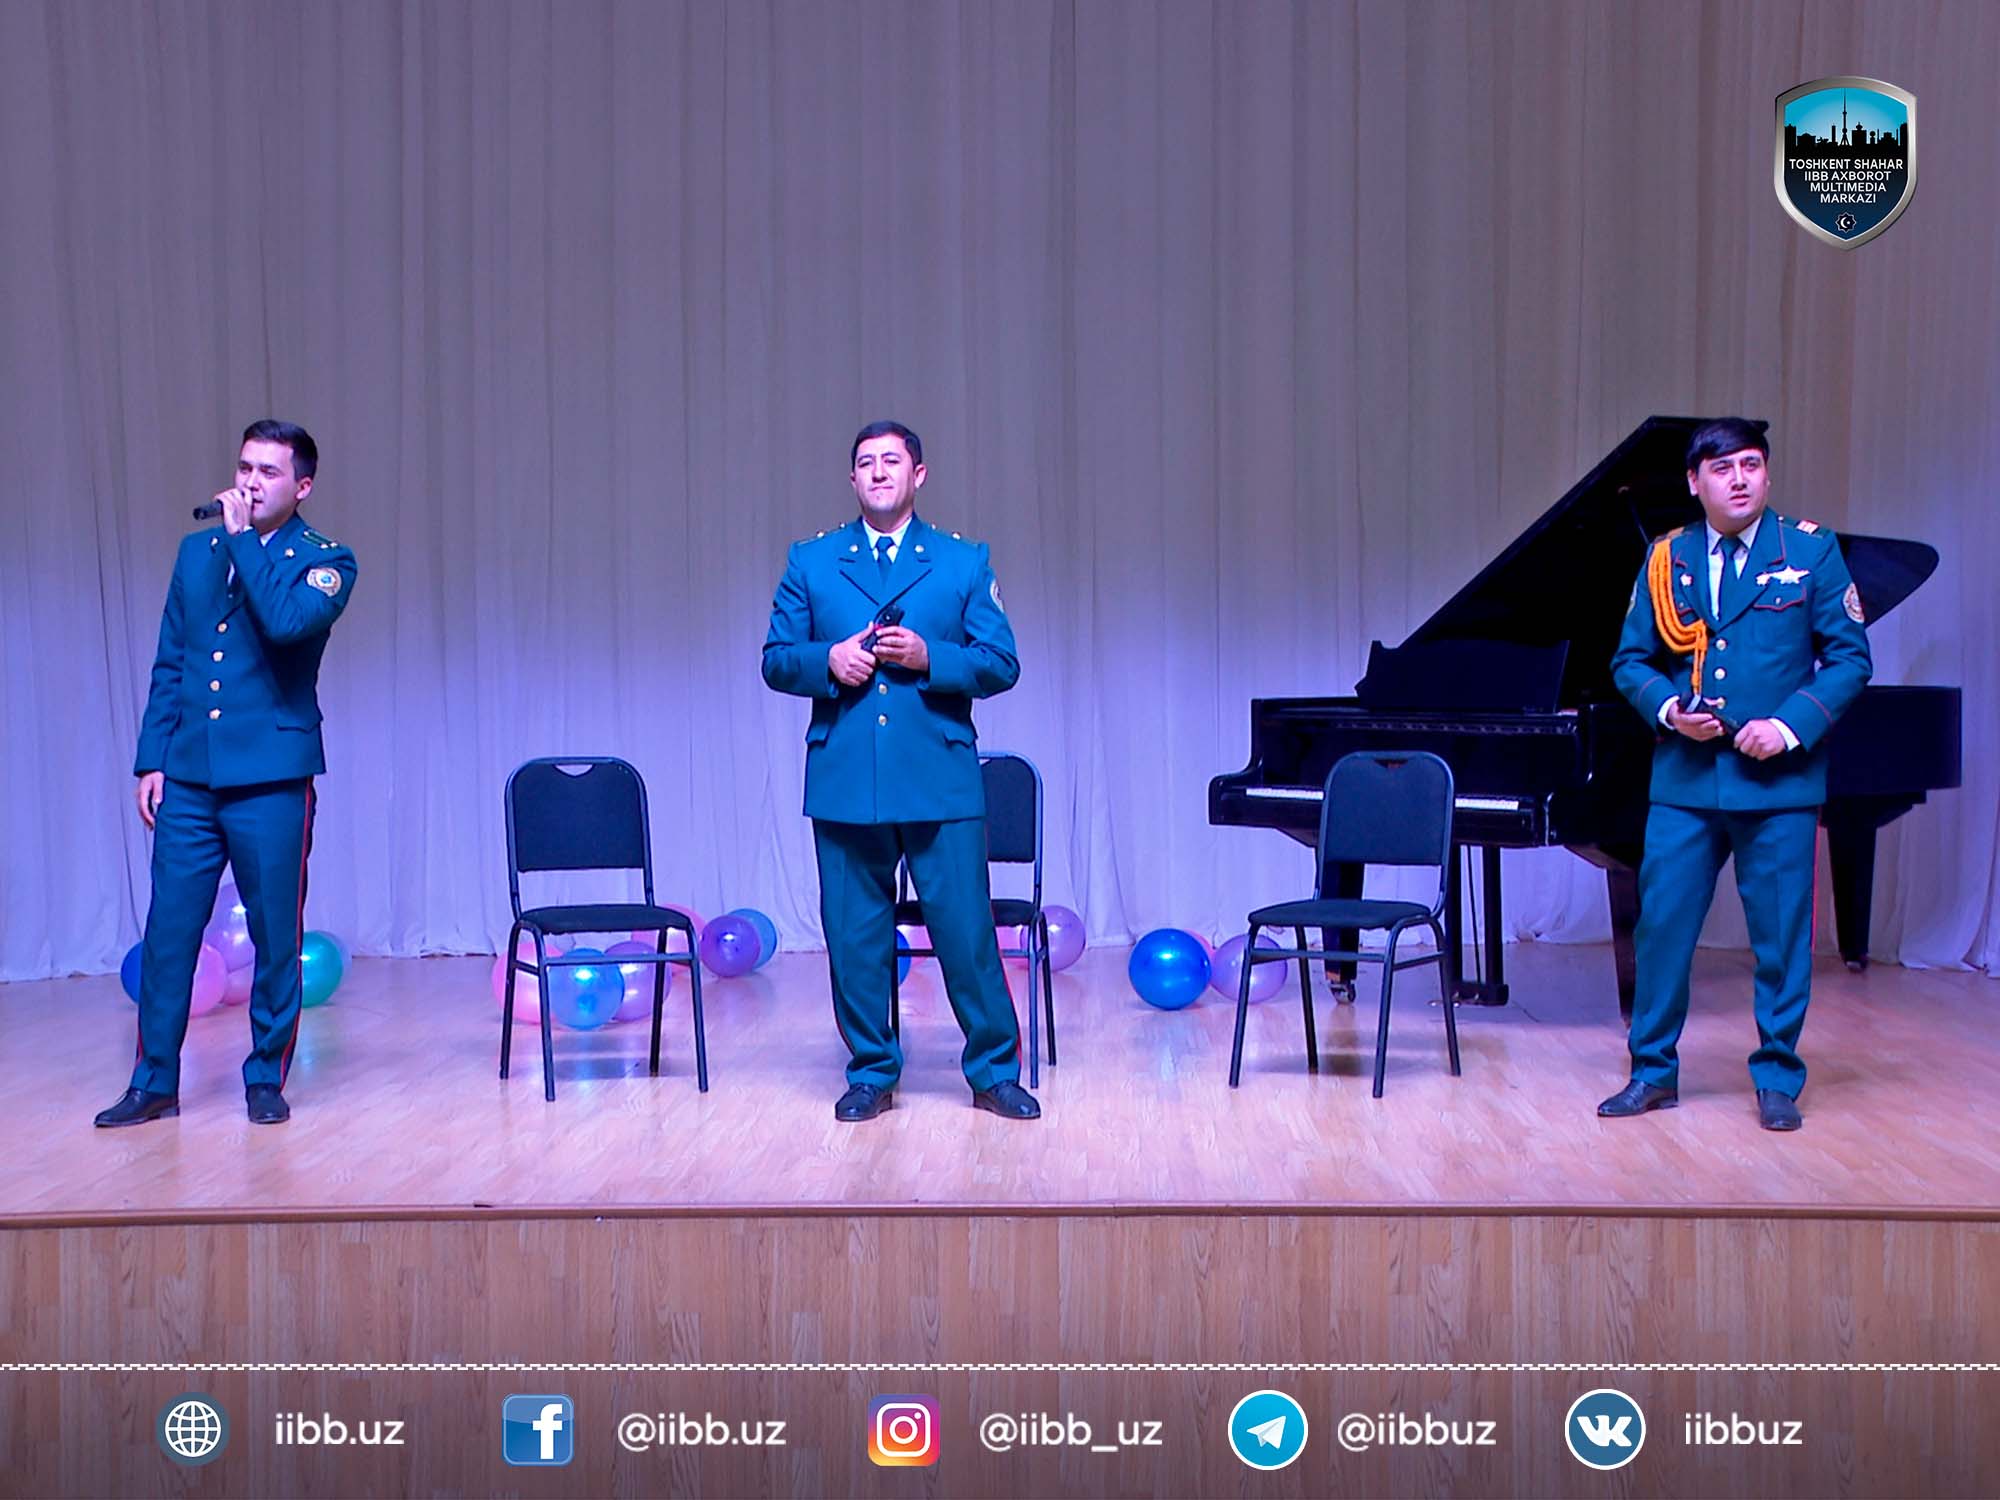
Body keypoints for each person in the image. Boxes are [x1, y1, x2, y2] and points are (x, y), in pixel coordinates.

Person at [1599, 418, 1871, 1131]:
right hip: (1685, 782)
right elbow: (1631, 660)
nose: (1740, 479)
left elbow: (1850, 659)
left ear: (1767, 473)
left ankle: (1777, 1077)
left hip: (1778, 784)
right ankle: (1651, 1073)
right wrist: (1668, 711)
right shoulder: (1668, 557)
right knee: (1661, 930)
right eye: (1722, 469)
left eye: (1751, 464)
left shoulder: (1809, 550)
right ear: (1695, 482)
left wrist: (1787, 727)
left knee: (1780, 938)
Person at [762, 420, 1038, 1122]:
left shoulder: (962, 561)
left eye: (892, 460)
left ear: (919, 475)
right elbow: (776, 659)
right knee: (855, 937)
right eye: (866, 462)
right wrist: (827, 660)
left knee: (966, 934)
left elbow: (1001, 663)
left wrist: (930, 658)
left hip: (939, 779)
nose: (879, 471)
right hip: (847, 779)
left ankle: (993, 1073)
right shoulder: (812, 561)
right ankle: (871, 1073)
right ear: (852, 479)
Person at [96, 421, 357, 1127]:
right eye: (245, 467)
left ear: (302, 486)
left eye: (269, 472)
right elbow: (173, 658)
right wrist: (152, 757)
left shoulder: (326, 560)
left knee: (274, 936)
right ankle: (154, 1081)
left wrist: (244, 540)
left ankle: (265, 1077)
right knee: (169, 933)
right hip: (190, 773)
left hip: (270, 777)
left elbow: (285, 624)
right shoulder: (197, 552)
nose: (250, 482)